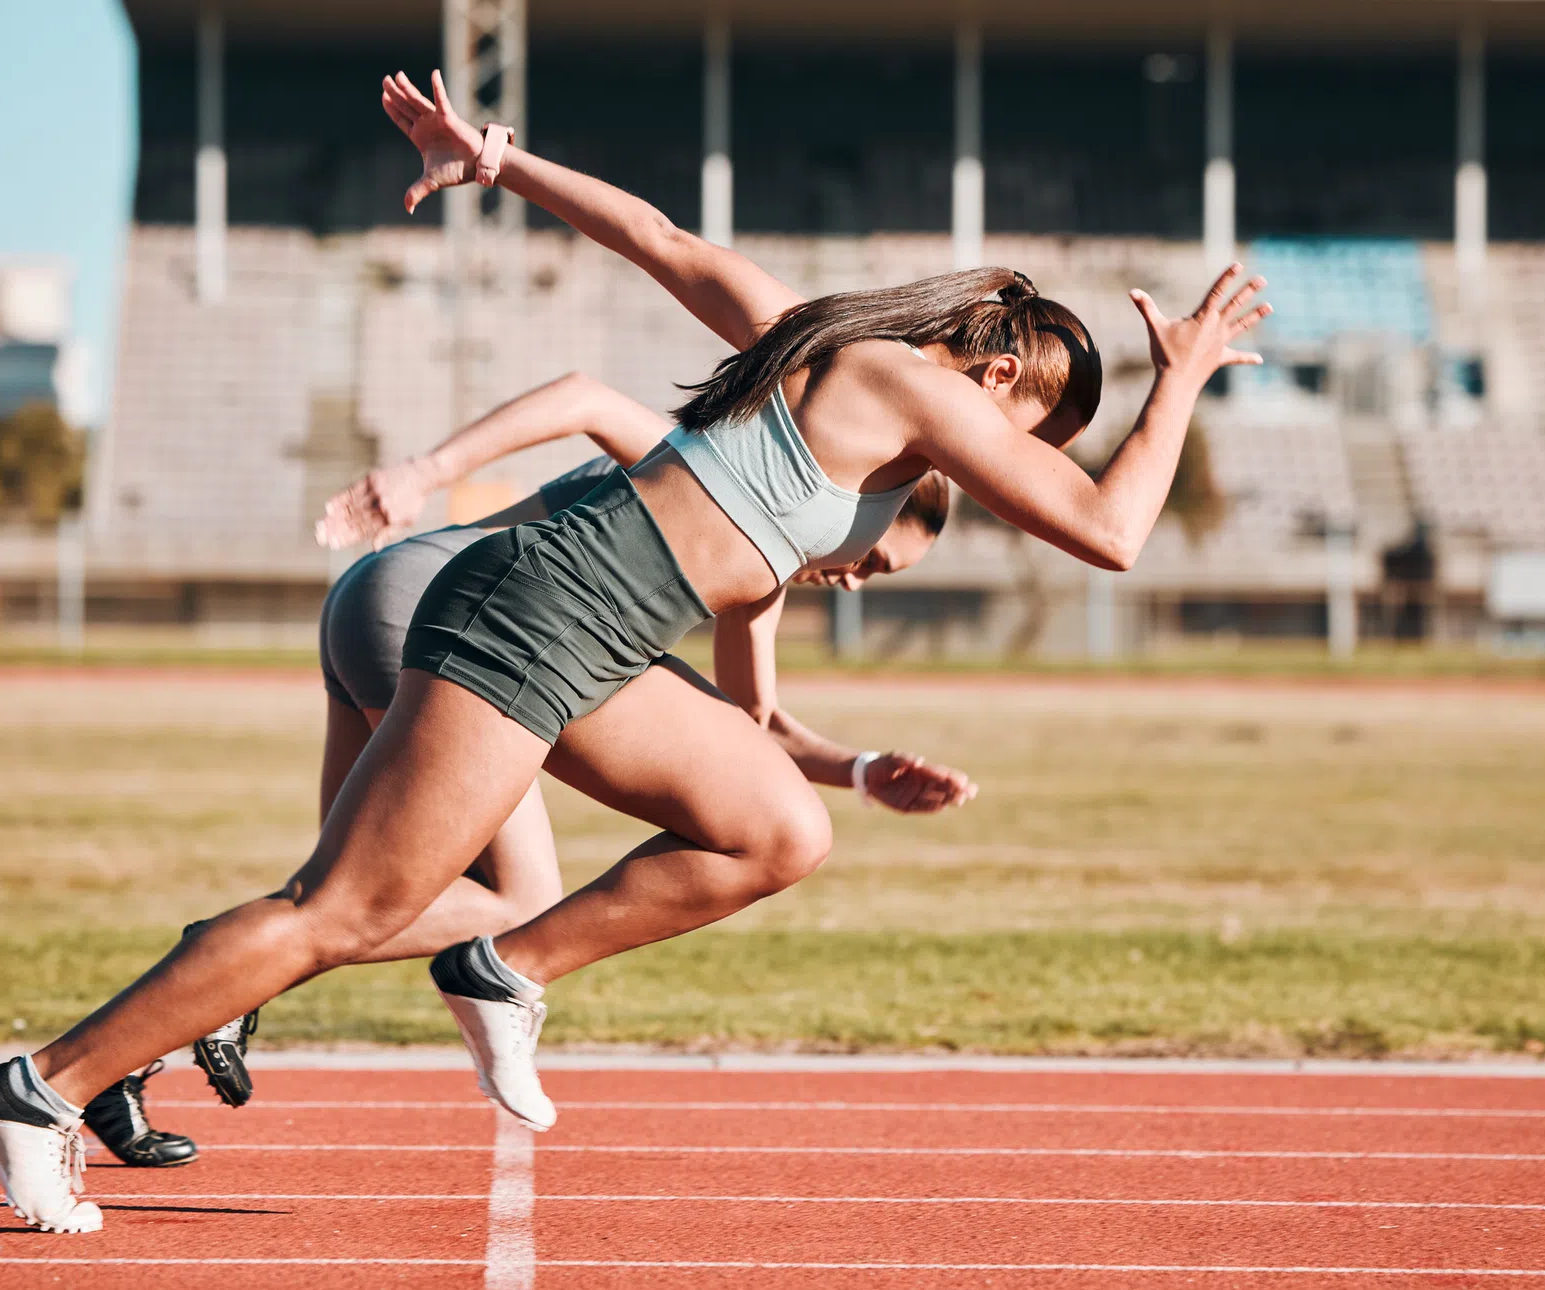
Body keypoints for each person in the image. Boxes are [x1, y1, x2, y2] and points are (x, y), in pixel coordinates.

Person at [0, 68, 1269, 1233]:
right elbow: (1107, 532)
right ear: (994, 374)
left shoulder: (818, 353)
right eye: (1036, 430)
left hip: (598, 634)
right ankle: (44, 1088)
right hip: (541, 608)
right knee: (346, 908)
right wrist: (1182, 379)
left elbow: (653, 236)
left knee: (775, 829)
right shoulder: (912, 377)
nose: (1019, 466)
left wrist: (496, 162)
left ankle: (503, 965)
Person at [87, 378, 963, 1159]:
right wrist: (422, 470)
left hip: (384, 596)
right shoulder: (727, 470)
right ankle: (192, 997)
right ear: (869, 494)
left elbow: (752, 723)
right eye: (873, 556)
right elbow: (584, 398)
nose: (853, 579)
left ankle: (119, 1054)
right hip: (448, 611)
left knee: (340, 899)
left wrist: (859, 769)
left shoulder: (762, 558)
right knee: (508, 902)